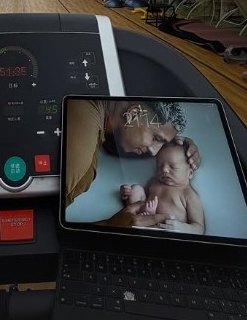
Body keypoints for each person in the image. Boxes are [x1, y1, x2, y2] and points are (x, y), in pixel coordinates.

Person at [65, 98, 200, 228]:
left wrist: (178, 150)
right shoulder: (80, 148)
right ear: (134, 113)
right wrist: (111, 226)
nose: (154, 152)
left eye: (161, 143)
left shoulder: (106, 123)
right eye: (156, 138)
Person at [119, 141, 205, 234]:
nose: (164, 170)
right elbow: (142, 199)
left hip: (166, 233)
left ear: (190, 173)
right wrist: (128, 192)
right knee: (136, 189)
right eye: (160, 166)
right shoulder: (154, 182)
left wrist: (183, 228)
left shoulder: (188, 194)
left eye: (173, 167)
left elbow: (199, 228)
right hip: (144, 222)